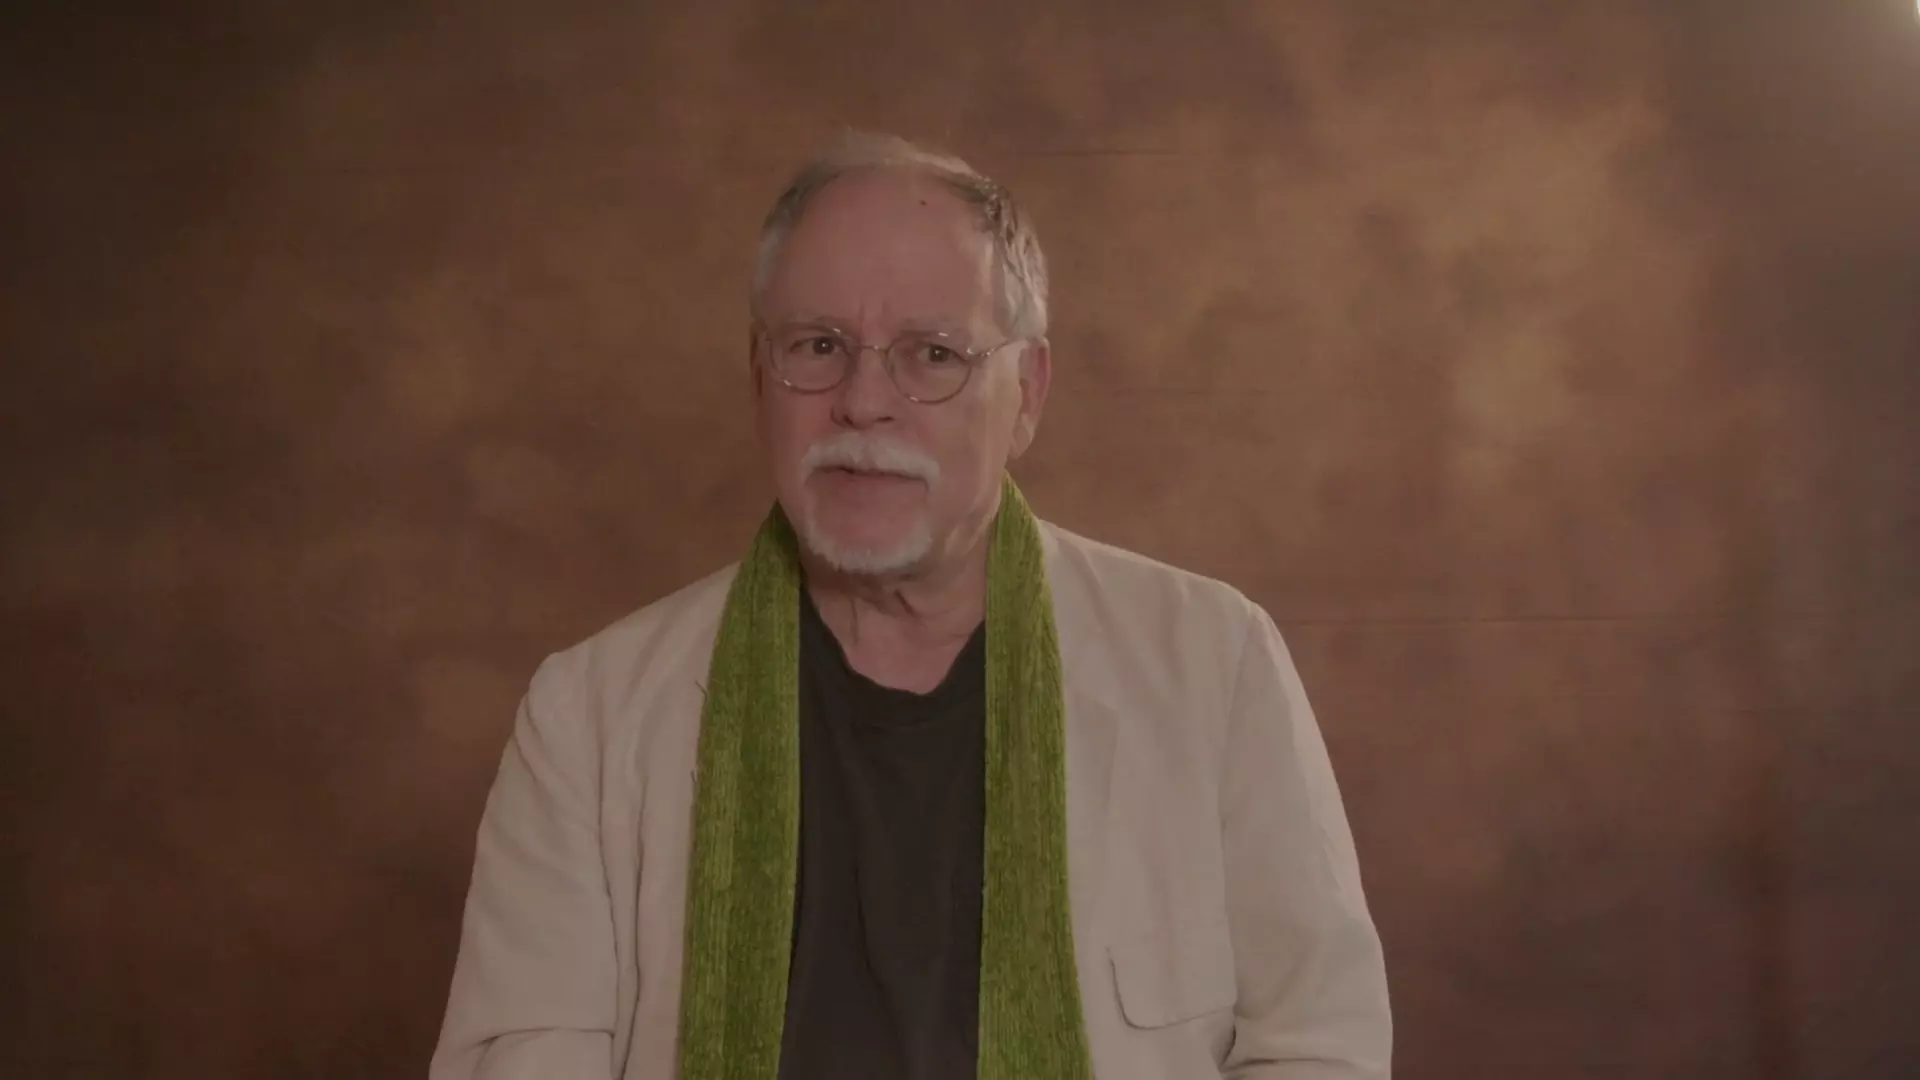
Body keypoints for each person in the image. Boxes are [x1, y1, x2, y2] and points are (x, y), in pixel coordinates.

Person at [429, 132, 1391, 1080]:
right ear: (759, 374)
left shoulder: (1215, 662)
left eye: (933, 354)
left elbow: (1317, 1049)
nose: (863, 401)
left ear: (1027, 395)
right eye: (818, 346)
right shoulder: (587, 716)